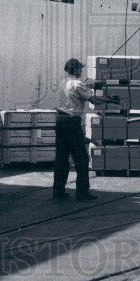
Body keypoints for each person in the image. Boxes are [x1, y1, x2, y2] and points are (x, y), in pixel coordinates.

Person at [53, 58, 120, 200]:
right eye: (80, 69)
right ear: (76, 70)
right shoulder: (78, 85)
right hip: (72, 123)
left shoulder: (63, 82)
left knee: (61, 158)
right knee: (82, 159)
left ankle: (58, 192)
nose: (81, 71)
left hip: (60, 121)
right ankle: (82, 193)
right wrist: (110, 100)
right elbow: (94, 100)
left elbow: (81, 86)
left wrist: (94, 84)